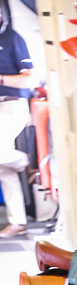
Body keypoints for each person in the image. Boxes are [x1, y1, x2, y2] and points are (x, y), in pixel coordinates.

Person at [0, 26, 33, 238]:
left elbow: (28, 78)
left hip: (12, 104)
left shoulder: (12, 38)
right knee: (4, 169)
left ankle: (26, 162)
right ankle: (18, 222)